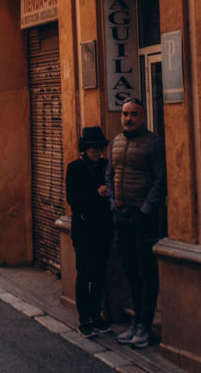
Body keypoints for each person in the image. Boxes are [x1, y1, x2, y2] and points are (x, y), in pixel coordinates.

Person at [105, 97, 166, 349]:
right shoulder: (116, 143)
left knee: (147, 273)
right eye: (125, 114)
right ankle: (136, 323)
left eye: (133, 114)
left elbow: (160, 180)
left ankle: (145, 325)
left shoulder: (153, 143)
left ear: (142, 117)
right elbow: (110, 174)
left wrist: (144, 210)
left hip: (144, 219)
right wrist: (113, 203)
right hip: (122, 216)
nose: (128, 119)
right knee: (131, 271)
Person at [66, 126, 113, 338]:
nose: (97, 151)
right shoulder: (75, 168)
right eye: (92, 148)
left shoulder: (106, 166)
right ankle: (84, 319)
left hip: (103, 227)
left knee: (100, 274)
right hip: (84, 228)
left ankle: (96, 315)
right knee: (84, 273)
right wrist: (96, 193)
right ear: (85, 148)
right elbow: (72, 199)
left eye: (99, 147)